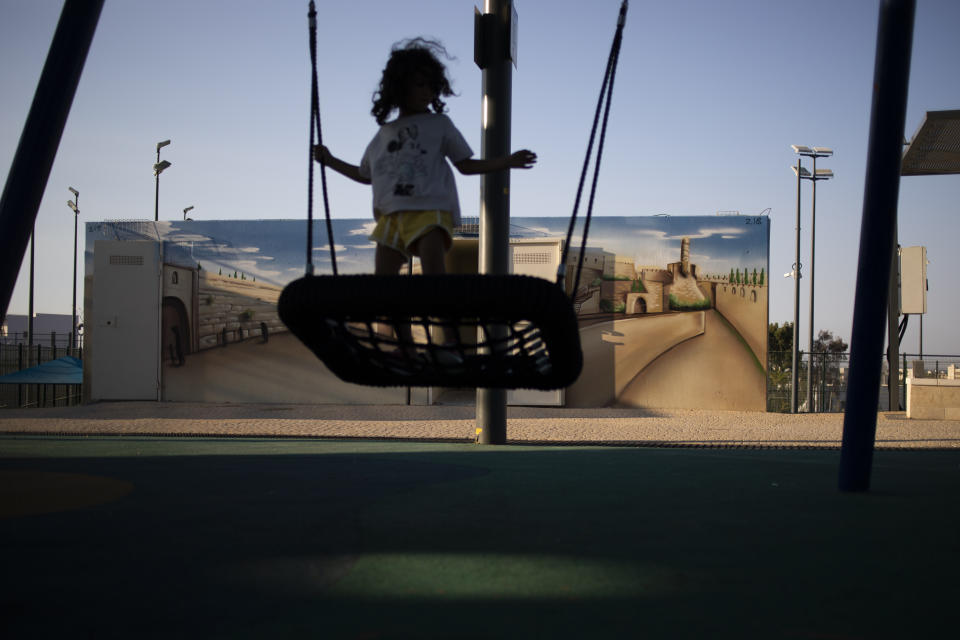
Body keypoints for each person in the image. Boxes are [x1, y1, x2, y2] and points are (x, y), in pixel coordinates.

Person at [314, 38, 536, 359]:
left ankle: (448, 342)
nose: (427, 92)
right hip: (391, 217)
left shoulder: (439, 125)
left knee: (435, 277)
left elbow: (465, 165)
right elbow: (365, 175)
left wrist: (507, 161)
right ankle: (399, 347)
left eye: (431, 85)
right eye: (420, 84)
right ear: (399, 86)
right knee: (385, 288)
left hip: (430, 211)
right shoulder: (384, 134)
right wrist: (330, 160)